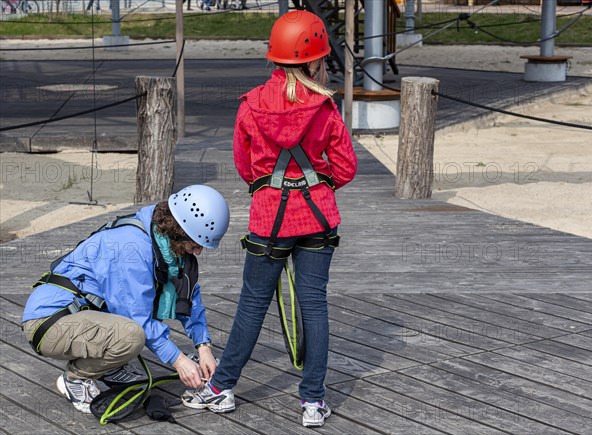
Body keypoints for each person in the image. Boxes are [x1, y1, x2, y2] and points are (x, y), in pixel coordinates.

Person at [181, 10, 357, 428]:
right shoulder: (326, 108)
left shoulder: (250, 105)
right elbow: (346, 168)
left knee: (252, 304)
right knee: (314, 305)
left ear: (273, 58)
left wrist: (275, 184)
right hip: (317, 217)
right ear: (315, 60)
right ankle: (312, 402)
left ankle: (222, 389)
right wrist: (315, 182)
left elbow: (245, 168)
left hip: (269, 221)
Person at [22, 184, 230, 414]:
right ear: (179, 231)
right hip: (50, 322)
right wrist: (179, 361)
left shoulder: (164, 241)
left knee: (131, 332)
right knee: (132, 336)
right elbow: (137, 318)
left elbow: (189, 294)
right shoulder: (130, 248)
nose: (198, 252)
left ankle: (108, 368)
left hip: (86, 318)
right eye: (195, 244)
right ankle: (76, 379)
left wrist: (203, 347)